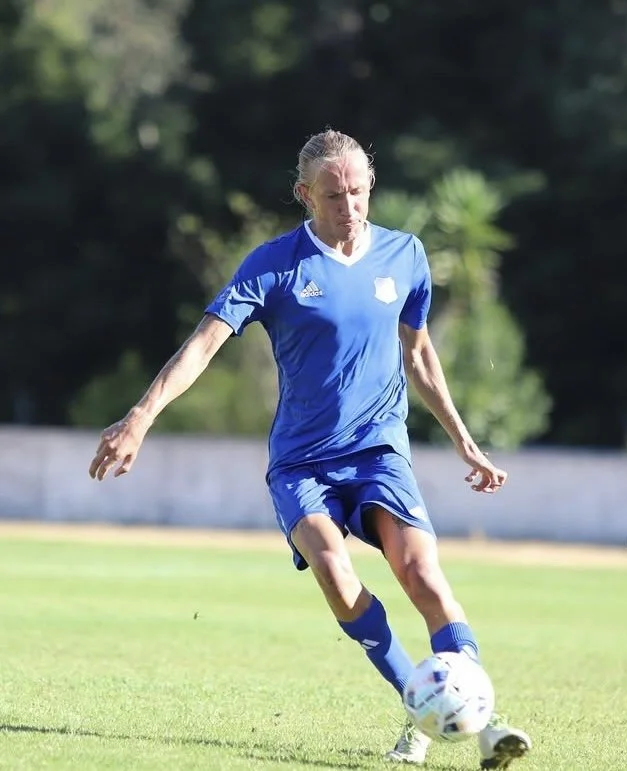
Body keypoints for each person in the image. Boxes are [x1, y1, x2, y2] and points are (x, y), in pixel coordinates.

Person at [88, 128, 532, 769]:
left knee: (424, 578)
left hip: (380, 450)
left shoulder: (405, 255)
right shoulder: (274, 264)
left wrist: (465, 443)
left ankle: (478, 722)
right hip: (302, 461)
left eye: (358, 190)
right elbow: (204, 344)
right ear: (304, 195)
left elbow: (419, 352)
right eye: (333, 194)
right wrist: (139, 417)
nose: (349, 205)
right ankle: (419, 705)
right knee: (333, 570)